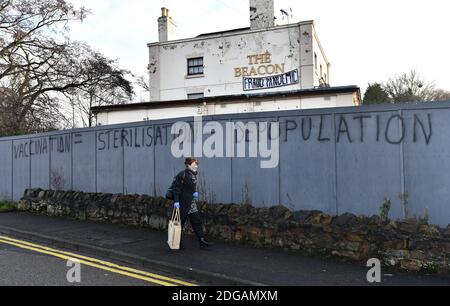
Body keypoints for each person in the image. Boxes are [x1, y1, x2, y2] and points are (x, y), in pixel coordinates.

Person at [172, 157, 210, 249]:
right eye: (194, 164)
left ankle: (201, 241)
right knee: (180, 224)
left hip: (191, 203)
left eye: (197, 164)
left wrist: (194, 192)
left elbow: (190, 187)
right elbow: (176, 189)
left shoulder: (193, 175)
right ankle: (176, 243)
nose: (196, 166)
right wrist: (176, 201)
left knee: (197, 222)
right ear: (188, 165)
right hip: (183, 203)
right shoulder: (182, 174)